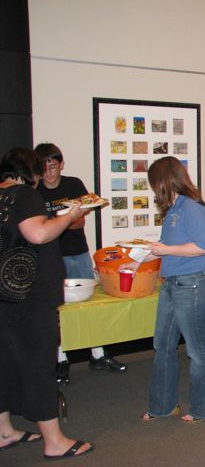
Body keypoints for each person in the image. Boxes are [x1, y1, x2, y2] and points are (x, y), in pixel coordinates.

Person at [0, 148, 94, 460]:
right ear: (31, 171)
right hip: (29, 298)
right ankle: (54, 441)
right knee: (39, 363)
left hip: (5, 296)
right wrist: (70, 215)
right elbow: (39, 234)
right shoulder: (24, 194)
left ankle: (4, 431)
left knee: (6, 362)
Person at [135, 157, 205, 423]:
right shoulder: (174, 208)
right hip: (171, 284)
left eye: (154, 184)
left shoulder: (192, 206)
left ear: (164, 181)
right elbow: (167, 246)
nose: (153, 190)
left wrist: (165, 250)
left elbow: (204, 246)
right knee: (162, 345)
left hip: (192, 283)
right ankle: (163, 405)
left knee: (196, 348)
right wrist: (138, 258)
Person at [34, 143, 126, 384]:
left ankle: (98, 354)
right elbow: (39, 228)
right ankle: (61, 359)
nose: (48, 172)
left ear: (61, 164)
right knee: (56, 309)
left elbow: (79, 223)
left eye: (52, 166)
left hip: (76, 252)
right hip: (48, 256)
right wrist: (65, 219)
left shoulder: (73, 184)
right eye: (43, 167)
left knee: (90, 304)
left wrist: (54, 222)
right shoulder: (33, 190)